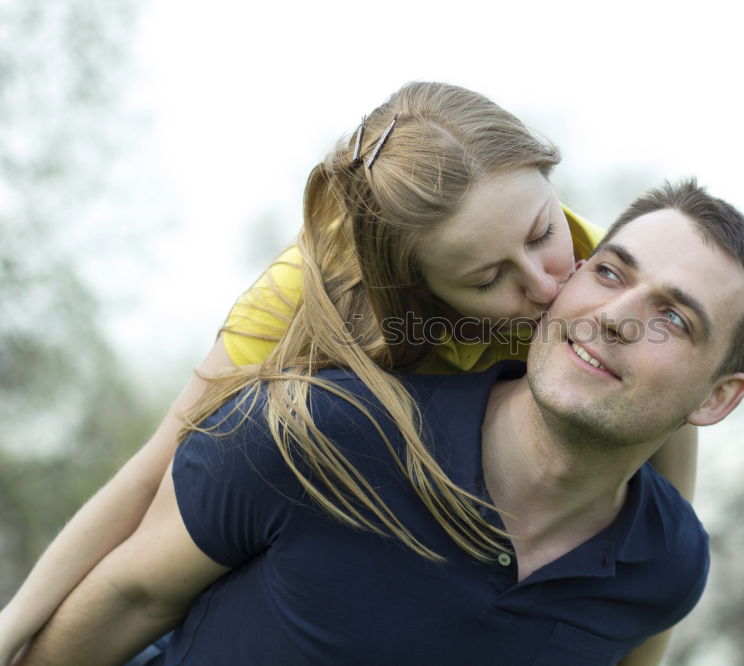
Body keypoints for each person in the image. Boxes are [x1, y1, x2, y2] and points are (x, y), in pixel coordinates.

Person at [0, 82, 699, 664]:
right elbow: (158, 469)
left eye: (543, 232)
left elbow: (655, 523)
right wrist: (15, 629)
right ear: (418, 289)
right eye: (489, 278)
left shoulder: (604, 292)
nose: (548, 287)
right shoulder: (309, 290)